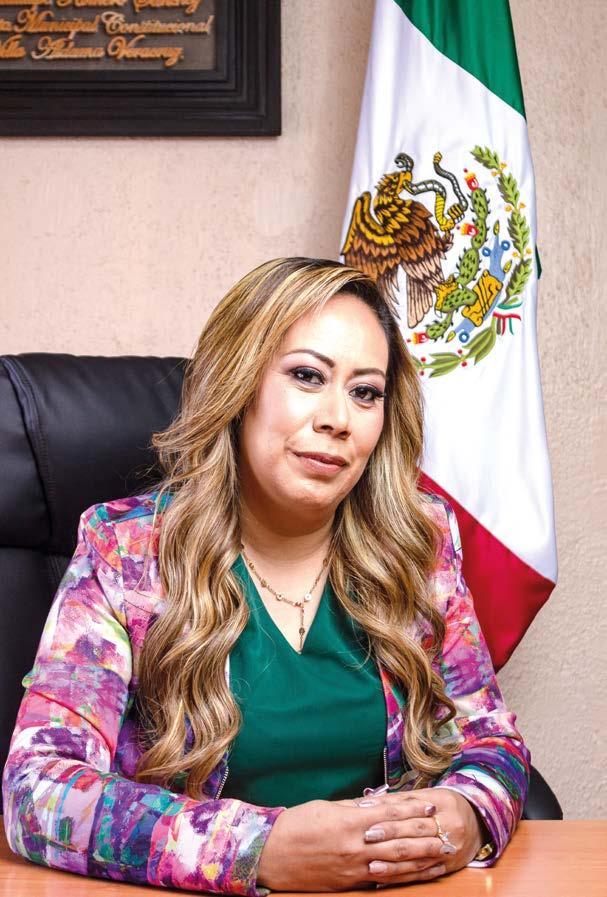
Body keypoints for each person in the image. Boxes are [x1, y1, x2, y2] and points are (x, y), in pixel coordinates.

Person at [2, 257, 529, 894]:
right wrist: (258, 849)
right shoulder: (128, 551)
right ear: (241, 384)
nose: (338, 418)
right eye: (308, 376)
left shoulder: (418, 545)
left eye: (365, 392)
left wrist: (469, 814)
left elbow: (490, 739)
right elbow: (39, 791)